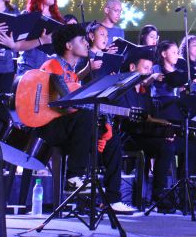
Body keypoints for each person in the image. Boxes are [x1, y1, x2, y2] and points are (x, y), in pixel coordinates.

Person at [36, 24, 135, 215]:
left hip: (72, 129)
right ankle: (73, 177)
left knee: (112, 138)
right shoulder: (53, 64)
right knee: (87, 115)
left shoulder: (73, 73)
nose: (86, 43)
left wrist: (106, 120)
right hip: (50, 127)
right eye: (82, 40)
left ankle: (113, 199)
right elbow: (67, 103)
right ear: (69, 46)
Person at [115, 47, 178, 213]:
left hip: (143, 135)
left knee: (168, 144)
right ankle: (158, 195)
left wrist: (164, 131)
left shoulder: (144, 92)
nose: (149, 72)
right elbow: (128, 120)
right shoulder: (123, 89)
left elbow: (148, 118)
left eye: (151, 69)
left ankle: (159, 194)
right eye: (146, 68)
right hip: (127, 137)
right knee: (164, 145)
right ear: (132, 67)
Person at [16, 0, 63, 76]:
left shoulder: (58, 19)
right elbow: (18, 45)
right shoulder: (27, 16)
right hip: (29, 69)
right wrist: (41, 40)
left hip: (52, 72)